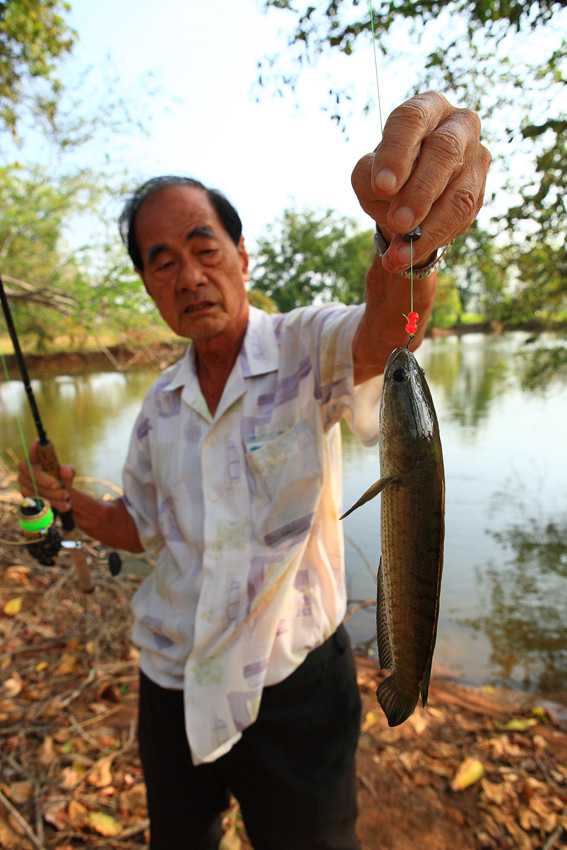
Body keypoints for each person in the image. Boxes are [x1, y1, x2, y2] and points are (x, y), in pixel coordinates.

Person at [19, 91, 490, 850]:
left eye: (204, 248)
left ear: (241, 257)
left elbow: (386, 336)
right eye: (161, 262)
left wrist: (412, 251)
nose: (188, 275)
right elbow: (138, 530)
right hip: (170, 680)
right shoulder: (156, 411)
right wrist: (65, 499)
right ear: (147, 285)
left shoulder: (309, 350)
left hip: (297, 688)